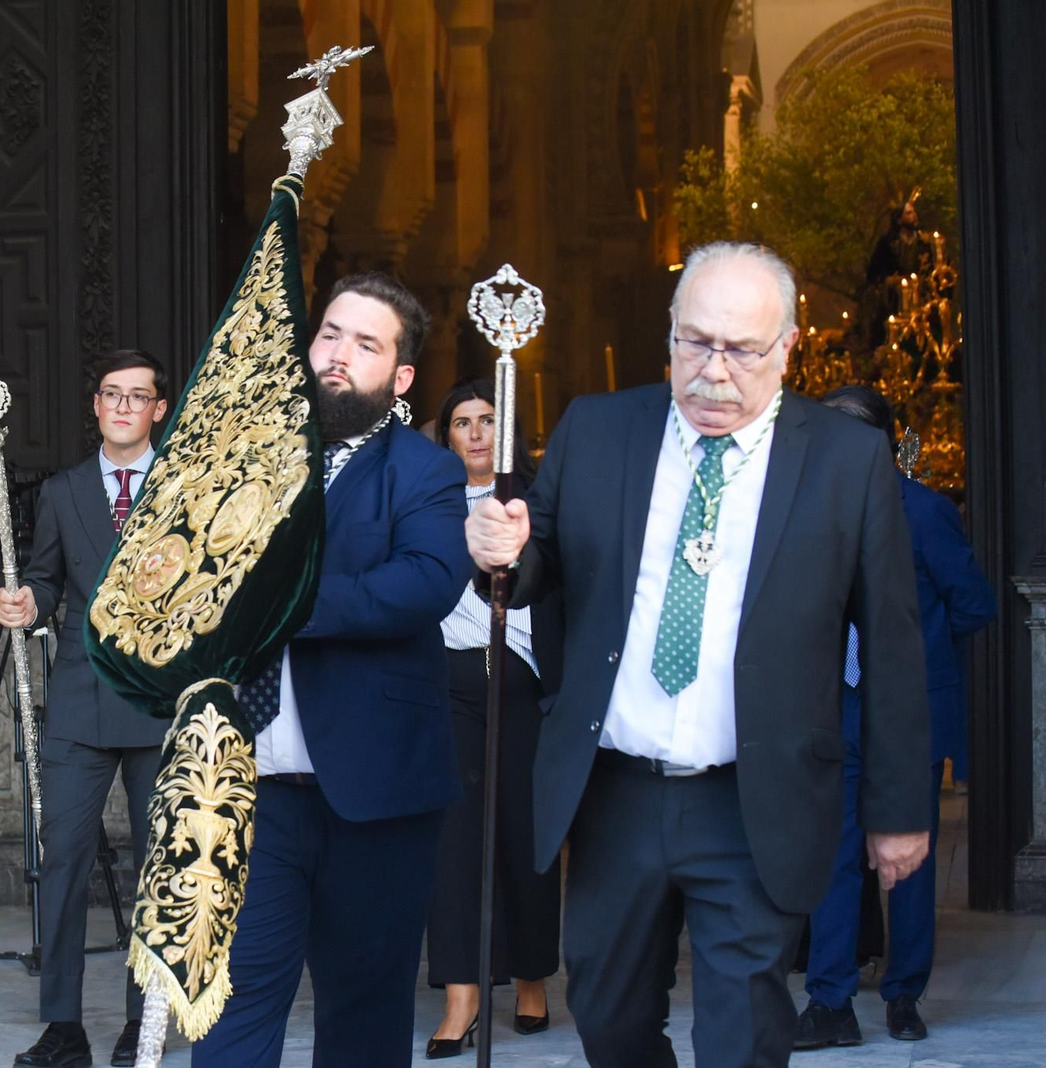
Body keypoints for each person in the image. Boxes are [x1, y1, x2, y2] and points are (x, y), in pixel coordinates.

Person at [463, 241, 932, 1067]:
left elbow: (892, 644)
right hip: (616, 794)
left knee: (745, 1030)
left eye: (742, 350)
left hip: (754, 795)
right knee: (606, 1012)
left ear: (787, 347)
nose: (714, 371)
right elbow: (540, 565)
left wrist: (898, 811)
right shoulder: (599, 429)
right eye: (695, 342)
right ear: (670, 334)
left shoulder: (844, 462)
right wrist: (500, 548)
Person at [189, 272, 474, 1068]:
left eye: (366, 343)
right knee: (231, 1011)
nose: (339, 355)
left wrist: (283, 602)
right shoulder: (243, 460)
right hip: (248, 791)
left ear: (401, 376)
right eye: (329, 335)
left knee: (363, 1021)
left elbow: (422, 583)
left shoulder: (423, 472)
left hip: (375, 797)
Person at [795, 385, 997, 1049]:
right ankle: (830, 1002)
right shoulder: (809, 513)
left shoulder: (925, 511)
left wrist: (912, 658)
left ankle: (904, 996)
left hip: (904, 712)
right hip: (838, 708)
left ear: (882, 443)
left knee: (906, 864)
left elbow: (973, 604)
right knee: (834, 859)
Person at [0, 349, 170, 1068]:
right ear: (95, 405)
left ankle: (145, 1020)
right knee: (61, 859)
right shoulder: (65, 492)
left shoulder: (187, 486)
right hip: (79, 700)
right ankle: (63, 1025)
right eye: (112, 395)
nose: (124, 407)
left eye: (139, 397)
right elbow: (43, 581)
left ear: (160, 409)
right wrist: (26, 602)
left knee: (157, 867)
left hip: (161, 702)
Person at [424, 379, 561, 1058]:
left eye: (487, 421)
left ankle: (531, 977)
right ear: (445, 434)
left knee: (523, 834)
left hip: (520, 676)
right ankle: (461, 996)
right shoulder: (428, 502)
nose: (475, 434)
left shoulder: (536, 501)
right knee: (454, 842)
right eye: (462, 423)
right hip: (450, 679)